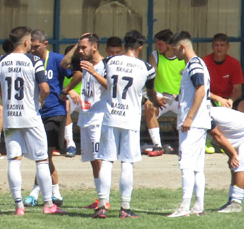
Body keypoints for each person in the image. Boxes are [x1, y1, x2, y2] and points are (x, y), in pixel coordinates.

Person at [0, 26, 66, 216]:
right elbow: (45, 88)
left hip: (10, 117)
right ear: (26, 42)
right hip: (31, 115)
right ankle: (48, 204)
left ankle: (19, 206)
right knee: (42, 160)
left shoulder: (1, 61)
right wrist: (40, 101)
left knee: (14, 160)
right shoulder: (34, 60)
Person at [93, 30, 163, 219]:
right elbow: (151, 92)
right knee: (127, 162)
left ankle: (102, 205)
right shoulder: (147, 68)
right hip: (130, 119)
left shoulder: (109, 61)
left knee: (106, 161)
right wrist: (156, 101)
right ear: (140, 46)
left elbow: (103, 80)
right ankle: (125, 207)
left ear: (125, 45)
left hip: (110, 116)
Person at [24, 29, 80, 207]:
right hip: (35, 114)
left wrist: (66, 90)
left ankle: (36, 193)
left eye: (36, 46)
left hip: (54, 113)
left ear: (45, 44)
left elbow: (78, 74)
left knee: (44, 155)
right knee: (43, 157)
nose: (33, 50)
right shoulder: (28, 60)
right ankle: (55, 193)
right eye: (31, 47)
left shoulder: (56, 60)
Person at [62, 34, 108, 210]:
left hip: (99, 117)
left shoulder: (106, 65)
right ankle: (100, 197)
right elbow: (65, 63)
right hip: (85, 116)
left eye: (84, 47)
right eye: (79, 48)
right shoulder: (82, 63)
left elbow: (111, 87)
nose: (81, 51)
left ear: (95, 47)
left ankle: (105, 199)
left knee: (99, 159)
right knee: (92, 160)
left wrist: (94, 73)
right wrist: (77, 44)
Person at [167, 31, 211, 218]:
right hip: (200, 122)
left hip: (193, 123)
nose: (174, 53)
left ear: (182, 47)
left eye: (175, 49)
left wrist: (189, 117)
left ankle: (184, 207)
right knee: (197, 166)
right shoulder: (198, 64)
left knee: (185, 164)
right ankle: (198, 206)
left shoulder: (193, 65)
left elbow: (200, 90)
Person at [208, 106, 244, 213]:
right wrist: (231, 155)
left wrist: (233, 154)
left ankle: (236, 203)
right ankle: (231, 201)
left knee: (239, 165)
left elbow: (218, 136)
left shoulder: (205, 115)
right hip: (243, 135)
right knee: (235, 165)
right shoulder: (206, 111)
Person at [143, 29, 184, 157]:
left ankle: (190, 145)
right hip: (162, 96)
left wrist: (178, 96)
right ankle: (158, 145)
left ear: (170, 45)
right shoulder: (155, 55)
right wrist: (155, 97)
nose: (157, 47)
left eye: (160, 44)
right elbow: (151, 79)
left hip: (180, 98)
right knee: (149, 106)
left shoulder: (183, 57)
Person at [205, 33, 244, 117]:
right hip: (210, 99)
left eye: (222, 45)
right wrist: (218, 99)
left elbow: (238, 90)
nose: (219, 48)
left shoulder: (234, 63)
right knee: (204, 108)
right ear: (212, 47)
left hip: (228, 99)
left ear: (228, 47)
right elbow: (201, 89)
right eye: (216, 45)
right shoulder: (204, 62)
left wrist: (230, 100)